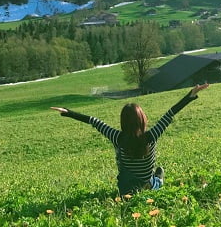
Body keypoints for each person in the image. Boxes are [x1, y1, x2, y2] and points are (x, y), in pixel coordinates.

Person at [51, 83, 209, 195]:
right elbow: (170, 114)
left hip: (126, 190)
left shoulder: (117, 137)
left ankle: (146, 186)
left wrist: (68, 112)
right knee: (159, 171)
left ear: (123, 122)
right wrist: (190, 95)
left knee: (154, 172)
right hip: (147, 186)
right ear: (142, 120)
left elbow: (94, 121)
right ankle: (154, 185)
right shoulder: (151, 136)